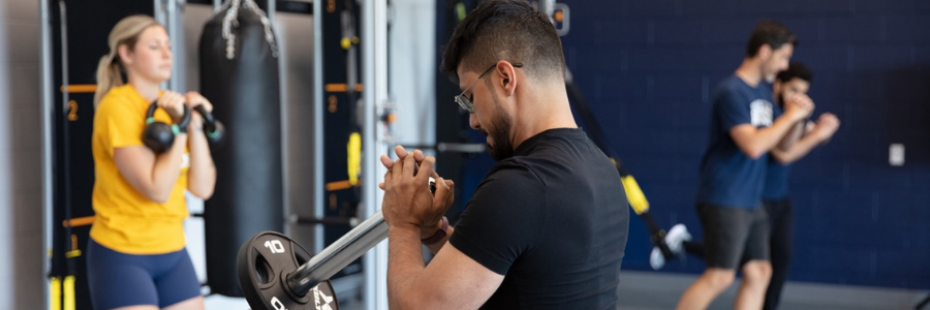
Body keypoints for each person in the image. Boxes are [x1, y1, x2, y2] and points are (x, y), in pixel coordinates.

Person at [376, 0, 629, 309]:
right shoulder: (603, 170)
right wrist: (431, 230)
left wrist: (403, 222)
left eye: (470, 97)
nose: (473, 120)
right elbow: (500, 272)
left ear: (505, 78)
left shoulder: (520, 187)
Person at [675, 20, 814, 310]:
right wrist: (788, 117)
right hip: (725, 196)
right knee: (720, 276)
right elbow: (752, 146)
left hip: (752, 200)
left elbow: (781, 148)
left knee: (760, 272)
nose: (784, 65)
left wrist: (796, 119)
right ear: (765, 52)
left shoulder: (762, 94)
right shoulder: (732, 92)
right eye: (783, 57)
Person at [87, 15, 216, 310]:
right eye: (155, 46)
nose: (167, 54)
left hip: (173, 250)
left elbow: (203, 187)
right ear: (127, 54)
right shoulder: (116, 106)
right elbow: (156, 189)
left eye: (168, 46)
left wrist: (193, 124)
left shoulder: (168, 106)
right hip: (123, 253)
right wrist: (180, 125)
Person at [762, 62, 840, 310]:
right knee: (738, 260)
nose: (797, 97)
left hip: (780, 200)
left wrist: (824, 130)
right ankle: (682, 245)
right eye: (793, 90)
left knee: (780, 260)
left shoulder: (791, 113)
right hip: (755, 199)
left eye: (802, 92)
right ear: (778, 85)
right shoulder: (767, 114)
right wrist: (816, 135)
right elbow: (783, 154)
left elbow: (807, 133)